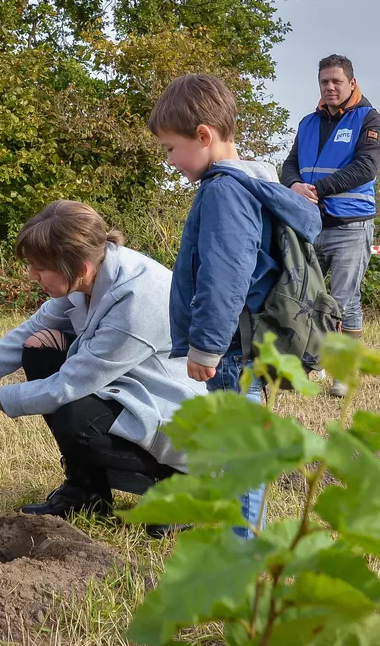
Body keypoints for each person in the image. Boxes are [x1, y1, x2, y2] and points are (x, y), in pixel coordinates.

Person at [0, 201, 203, 526]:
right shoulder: (92, 275)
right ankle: (85, 492)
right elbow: (33, 328)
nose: (31, 275)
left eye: (40, 268)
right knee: (38, 348)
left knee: (76, 418)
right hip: (128, 388)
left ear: (78, 268)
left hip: (174, 415)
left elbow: (65, 387)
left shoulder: (137, 299)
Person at [149, 74, 321, 539]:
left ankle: (241, 549)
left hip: (231, 349)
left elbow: (224, 275)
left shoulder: (224, 191)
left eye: (170, 148)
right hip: (245, 343)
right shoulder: (250, 181)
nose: (170, 161)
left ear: (203, 136)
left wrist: (205, 347)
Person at [279, 54, 380, 397]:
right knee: (304, 296)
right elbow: (291, 163)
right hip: (310, 223)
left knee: (343, 301)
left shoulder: (370, 120)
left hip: (350, 226)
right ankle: (309, 363)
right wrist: (294, 185)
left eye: (336, 81)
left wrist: (317, 189)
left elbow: (365, 168)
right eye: (324, 81)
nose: (329, 87)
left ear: (351, 83)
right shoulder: (308, 123)